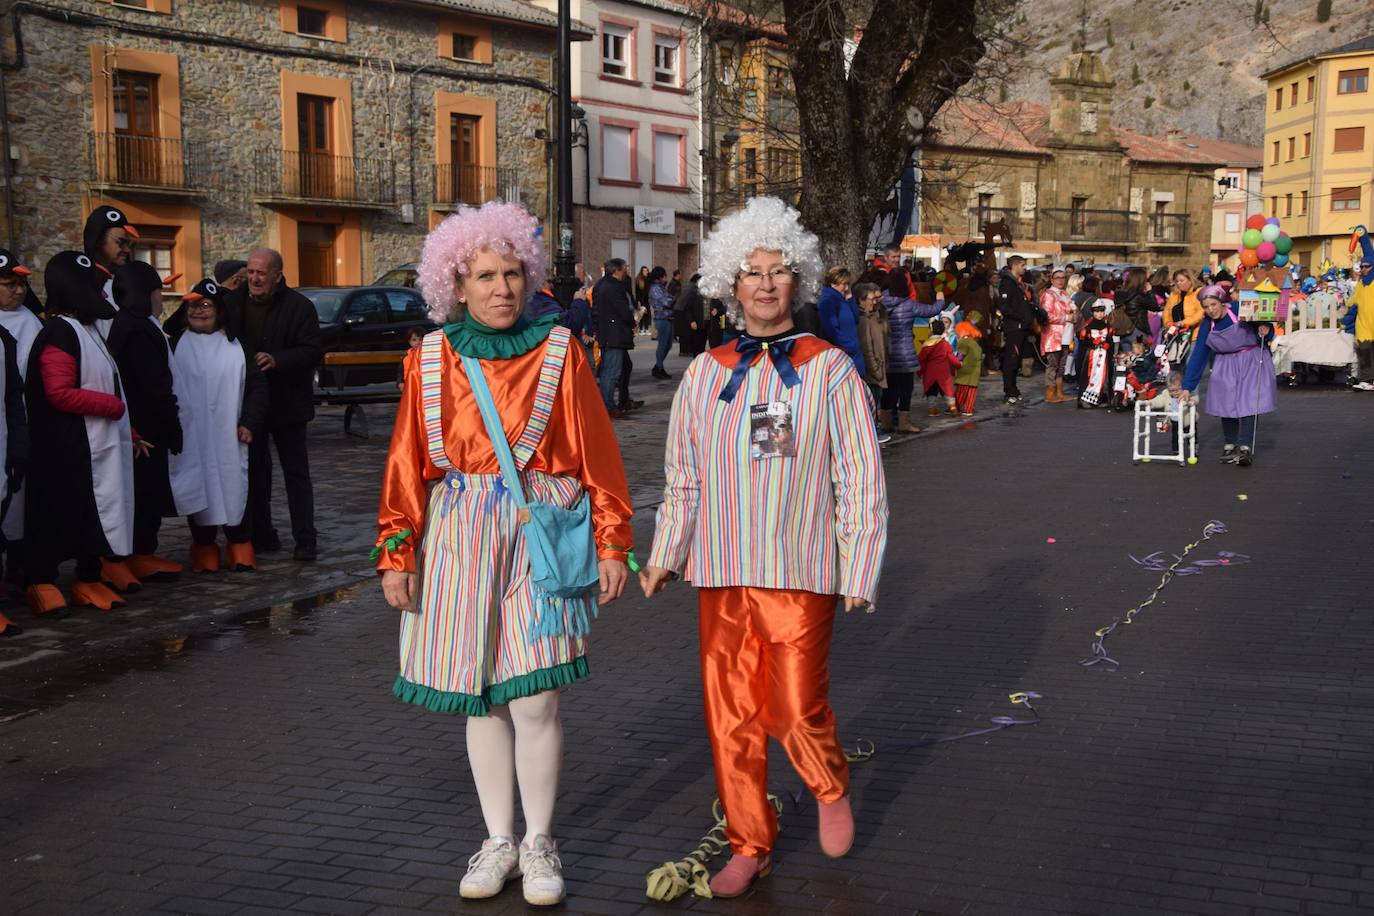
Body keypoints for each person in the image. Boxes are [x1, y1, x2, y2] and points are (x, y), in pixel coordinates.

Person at [376, 201, 633, 907]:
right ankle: (498, 839)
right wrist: (398, 549)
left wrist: (614, 541)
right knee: (480, 696)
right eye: (484, 275)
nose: (502, 288)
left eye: (513, 272)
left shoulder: (561, 353)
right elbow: (405, 463)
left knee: (537, 695)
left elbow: (599, 457)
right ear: (454, 285)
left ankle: (540, 839)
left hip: (541, 534)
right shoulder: (429, 358)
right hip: (456, 534)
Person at [639, 196, 888, 898]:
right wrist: (665, 553)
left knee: (794, 705)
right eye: (752, 272)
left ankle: (826, 781)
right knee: (732, 718)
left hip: (799, 567)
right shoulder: (705, 374)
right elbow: (682, 478)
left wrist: (859, 563)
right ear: (730, 283)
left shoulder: (830, 369)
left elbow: (859, 475)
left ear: (798, 279)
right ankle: (751, 842)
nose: (767, 283)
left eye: (780, 271)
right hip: (720, 570)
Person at [23, 252, 135, 614]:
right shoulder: (59, 331)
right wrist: (112, 408)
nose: (103, 296)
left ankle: (88, 579)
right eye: (95, 288)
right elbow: (57, 391)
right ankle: (41, 582)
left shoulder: (87, 331)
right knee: (57, 515)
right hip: (65, 448)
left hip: (94, 446)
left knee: (91, 516)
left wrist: (127, 429)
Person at [225, 248, 322, 561]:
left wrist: (277, 359)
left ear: (277, 276)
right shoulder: (233, 301)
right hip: (250, 404)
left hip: (288, 404)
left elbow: (312, 351)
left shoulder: (300, 307)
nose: (254, 279)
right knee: (252, 472)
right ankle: (261, 535)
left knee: (296, 474)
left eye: (261, 273)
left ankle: (305, 540)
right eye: (250, 272)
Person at [168, 279, 268, 572]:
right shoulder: (175, 345)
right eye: (192, 305)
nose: (197, 311)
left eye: (205, 305)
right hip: (192, 436)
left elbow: (258, 388)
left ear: (220, 311)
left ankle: (239, 543)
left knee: (233, 483)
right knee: (197, 484)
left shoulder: (238, 346)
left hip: (230, 435)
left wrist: (250, 421)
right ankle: (203, 545)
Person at [108, 261, 195, 584]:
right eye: (158, 292)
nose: (161, 300)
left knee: (143, 490)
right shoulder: (139, 329)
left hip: (137, 423)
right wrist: (172, 424)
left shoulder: (129, 324)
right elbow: (155, 384)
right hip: (146, 425)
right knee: (146, 491)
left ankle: (139, 551)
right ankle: (138, 553)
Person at [1182, 285, 1277, 466]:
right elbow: (1199, 354)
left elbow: (1263, 326)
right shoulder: (1206, 324)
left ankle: (1246, 447)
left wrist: (1266, 330)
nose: (1211, 309)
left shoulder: (1239, 310)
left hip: (1250, 359)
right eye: (1206, 306)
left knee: (1249, 403)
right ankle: (1230, 443)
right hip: (1225, 364)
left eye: (1213, 304)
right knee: (1226, 402)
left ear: (1222, 302)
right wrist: (1188, 385)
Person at [0, 250, 40, 588]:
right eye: (8, 284)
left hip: (20, 421)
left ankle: (17, 563)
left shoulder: (30, 321)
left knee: (19, 499)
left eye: (21, 284)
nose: (18, 291)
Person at [879, 270, 929, 434]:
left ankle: (886, 422)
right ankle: (903, 423)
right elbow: (930, 311)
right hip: (906, 355)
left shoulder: (881, 301)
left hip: (887, 353)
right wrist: (941, 300)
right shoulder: (909, 304)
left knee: (888, 389)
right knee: (905, 390)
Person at [82, 205, 138, 336]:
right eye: (120, 242)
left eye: (129, 244)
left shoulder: (130, 284)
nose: (127, 250)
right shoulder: (81, 283)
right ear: (97, 241)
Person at [593, 258, 636, 417]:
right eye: (624, 268)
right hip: (614, 335)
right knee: (611, 372)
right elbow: (623, 310)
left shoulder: (602, 285)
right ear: (617, 270)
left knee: (622, 367)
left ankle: (619, 401)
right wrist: (633, 321)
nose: (626, 270)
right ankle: (608, 406)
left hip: (609, 334)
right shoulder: (613, 287)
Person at [852, 281, 891, 445]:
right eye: (872, 298)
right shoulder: (863, 320)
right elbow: (867, 347)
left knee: (877, 399)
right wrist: (875, 369)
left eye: (878, 297)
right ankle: (872, 431)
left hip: (880, 367)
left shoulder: (877, 316)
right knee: (871, 401)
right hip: (872, 370)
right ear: (861, 300)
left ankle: (876, 428)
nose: (876, 301)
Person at [995, 255, 1034, 403]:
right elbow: (1004, 307)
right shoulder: (1007, 283)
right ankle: (1009, 391)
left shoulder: (1017, 283)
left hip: (1022, 327)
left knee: (1017, 361)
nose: (1025, 268)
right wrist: (1021, 317)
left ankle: (1014, 389)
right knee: (1011, 360)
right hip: (1014, 328)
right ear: (1015, 266)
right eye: (1023, 265)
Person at [817, 267, 865, 378]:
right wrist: (850, 347)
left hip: (851, 354)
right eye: (844, 284)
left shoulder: (841, 299)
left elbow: (856, 318)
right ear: (834, 283)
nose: (847, 288)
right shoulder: (828, 300)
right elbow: (831, 330)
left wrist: (850, 298)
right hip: (844, 356)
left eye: (848, 284)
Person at [1039, 267, 1076, 403]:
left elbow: (1072, 314)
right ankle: (1050, 394)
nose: (1061, 280)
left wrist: (1074, 315)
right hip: (1053, 336)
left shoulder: (1065, 294)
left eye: (1063, 277)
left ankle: (1060, 392)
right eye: (1057, 278)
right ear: (1052, 280)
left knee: (1061, 366)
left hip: (1066, 335)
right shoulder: (1048, 294)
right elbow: (1047, 316)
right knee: (1052, 365)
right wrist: (1066, 317)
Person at [917, 317, 961, 417]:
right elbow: (951, 358)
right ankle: (953, 408)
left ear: (931, 331)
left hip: (930, 372)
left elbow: (921, 359)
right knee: (947, 390)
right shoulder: (945, 344)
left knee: (931, 390)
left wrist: (920, 371)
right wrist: (958, 365)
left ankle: (932, 409)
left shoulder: (926, 344)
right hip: (944, 372)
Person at [1077, 299, 1114, 409]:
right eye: (1097, 312)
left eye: (1102, 311)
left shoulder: (1108, 327)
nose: (1100, 314)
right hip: (1092, 357)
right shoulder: (1087, 328)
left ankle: (1101, 398)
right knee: (1091, 376)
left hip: (1104, 357)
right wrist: (1092, 343)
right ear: (1092, 312)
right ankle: (1085, 399)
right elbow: (1083, 343)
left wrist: (1108, 345)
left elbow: (1110, 340)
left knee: (1104, 376)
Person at [1349, 229, 1374, 390]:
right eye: (1361, 266)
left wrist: (1363, 237)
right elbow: (1353, 304)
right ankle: (1366, 380)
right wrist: (1347, 321)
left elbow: (1369, 250)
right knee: (1364, 354)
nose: (1363, 268)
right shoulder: (1361, 285)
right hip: (1364, 326)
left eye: (1367, 266)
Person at [953, 312, 984, 416]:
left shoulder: (964, 342)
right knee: (971, 392)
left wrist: (955, 363)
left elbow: (960, 356)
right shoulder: (976, 345)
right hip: (974, 372)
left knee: (960, 392)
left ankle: (956, 407)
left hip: (965, 372)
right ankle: (968, 409)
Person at [649, 266, 676, 379]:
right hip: (662, 318)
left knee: (668, 344)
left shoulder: (661, 287)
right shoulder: (656, 288)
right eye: (664, 276)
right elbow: (667, 302)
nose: (666, 278)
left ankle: (658, 366)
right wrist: (674, 298)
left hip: (668, 318)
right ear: (660, 277)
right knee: (663, 344)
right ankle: (659, 367)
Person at [1118, 267, 1161, 338]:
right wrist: (1150, 292)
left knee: (1126, 349)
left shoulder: (1121, 293)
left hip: (1123, 330)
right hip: (1138, 329)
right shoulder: (1139, 296)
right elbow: (1155, 307)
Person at [674, 272, 708, 357]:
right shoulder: (694, 288)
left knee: (685, 332)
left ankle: (684, 350)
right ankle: (687, 350)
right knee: (686, 332)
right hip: (682, 310)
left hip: (679, 308)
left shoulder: (689, 285)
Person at [633, 264, 651, 333]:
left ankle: (646, 328)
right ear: (641, 272)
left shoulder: (648, 279)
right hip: (641, 299)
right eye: (644, 271)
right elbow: (637, 292)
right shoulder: (638, 280)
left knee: (647, 314)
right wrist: (638, 301)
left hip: (647, 299)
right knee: (641, 314)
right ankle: (641, 329)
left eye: (646, 270)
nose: (646, 272)